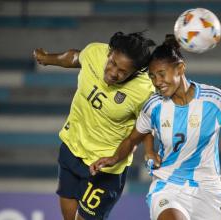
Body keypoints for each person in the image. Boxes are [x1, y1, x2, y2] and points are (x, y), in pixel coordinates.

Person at [90, 35, 221, 220]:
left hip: (207, 190)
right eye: (152, 76)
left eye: (161, 73)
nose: (157, 81)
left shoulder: (213, 99)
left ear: (180, 68)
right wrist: (113, 158)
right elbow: (132, 139)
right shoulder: (153, 106)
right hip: (168, 186)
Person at [33, 31, 156, 220]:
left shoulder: (143, 91)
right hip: (72, 148)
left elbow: (145, 128)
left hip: (105, 166)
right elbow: (75, 58)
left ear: (135, 72)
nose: (114, 73)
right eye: (113, 63)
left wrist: (145, 151)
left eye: (123, 72)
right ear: (110, 53)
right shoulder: (95, 52)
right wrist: (47, 58)